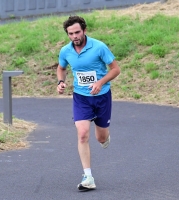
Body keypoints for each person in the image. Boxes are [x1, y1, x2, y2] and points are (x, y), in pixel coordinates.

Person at [56, 15, 120, 191]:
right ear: (67, 34)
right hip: (81, 98)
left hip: (102, 96)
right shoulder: (65, 51)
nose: (75, 36)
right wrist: (60, 82)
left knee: (100, 137)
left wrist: (100, 82)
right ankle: (88, 177)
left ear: (84, 30)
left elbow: (116, 69)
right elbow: (61, 68)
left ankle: (105, 136)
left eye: (77, 32)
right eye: (71, 33)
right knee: (83, 134)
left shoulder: (99, 47)